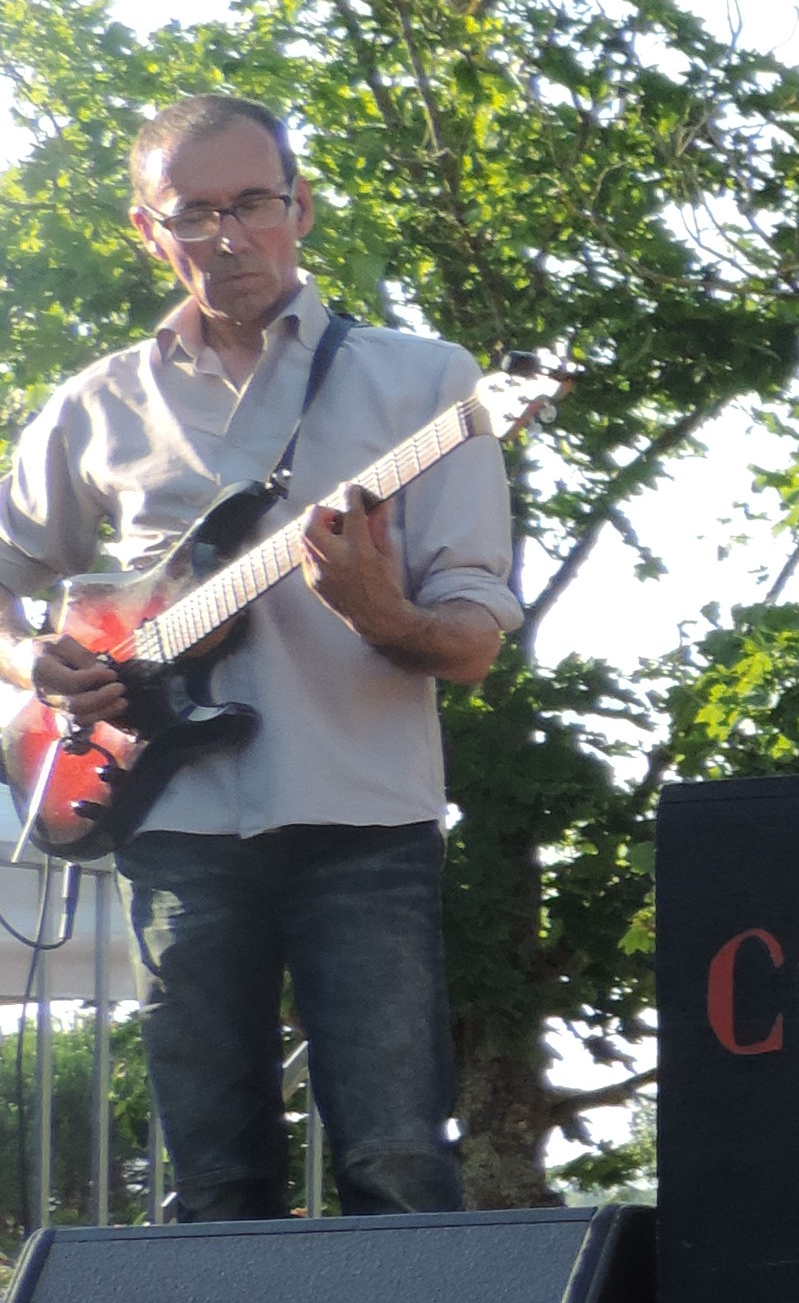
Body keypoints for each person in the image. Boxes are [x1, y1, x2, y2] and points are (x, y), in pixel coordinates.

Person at [0, 96, 520, 1219]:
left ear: (302, 209)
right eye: (195, 212)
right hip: (172, 823)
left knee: (397, 1165)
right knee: (214, 1182)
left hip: (366, 813)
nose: (229, 235)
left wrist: (386, 612)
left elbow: (473, 640)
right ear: (150, 230)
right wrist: (32, 665)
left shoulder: (427, 386)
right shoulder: (93, 407)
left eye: (254, 203)